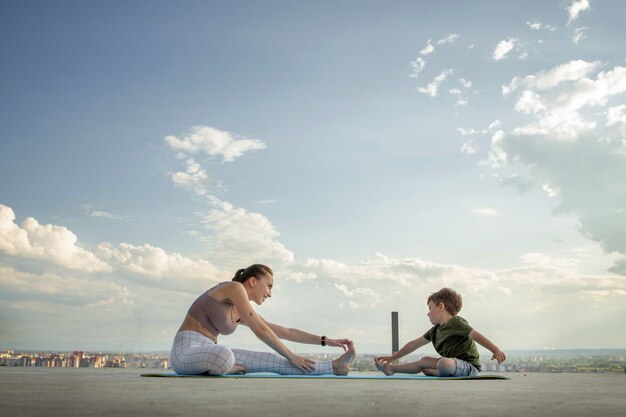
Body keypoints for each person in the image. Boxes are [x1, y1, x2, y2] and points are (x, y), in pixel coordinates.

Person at [170, 264, 356, 375]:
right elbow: (260, 330)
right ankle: (226, 367)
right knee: (224, 354)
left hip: (208, 352)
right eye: (268, 286)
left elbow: (286, 332)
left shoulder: (241, 310)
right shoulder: (233, 287)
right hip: (185, 351)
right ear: (252, 281)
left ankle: (334, 367)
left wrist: (325, 341)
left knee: (274, 360)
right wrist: (291, 354)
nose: (270, 294)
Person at [374, 287, 506, 377]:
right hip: (451, 364)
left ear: (441, 306)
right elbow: (413, 344)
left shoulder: (456, 323)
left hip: (469, 367)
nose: (428, 313)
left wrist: (495, 350)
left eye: (430, 308)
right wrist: (392, 358)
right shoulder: (435, 331)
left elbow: (475, 335)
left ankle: (438, 372)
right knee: (425, 360)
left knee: (443, 363)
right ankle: (391, 369)